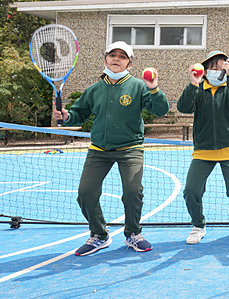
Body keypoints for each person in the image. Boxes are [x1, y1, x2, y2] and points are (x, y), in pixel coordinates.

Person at [53, 41, 169, 256]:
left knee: (133, 192)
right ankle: (99, 235)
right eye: (112, 54)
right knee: (85, 193)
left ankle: (133, 233)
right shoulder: (94, 89)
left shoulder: (138, 86)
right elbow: (78, 114)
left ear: (130, 64)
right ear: (105, 59)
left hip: (130, 149)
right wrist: (66, 116)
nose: (116, 59)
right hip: (99, 150)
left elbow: (161, 109)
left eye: (122, 56)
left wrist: (153, 88)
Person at [177, 51, 229, 244]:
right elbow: (184, 108)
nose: (216, 71)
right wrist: (193, 83)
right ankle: (198, 225)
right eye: (213, 67)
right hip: (203, 150)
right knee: (191, 191)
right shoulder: (199, 89)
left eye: (221, 67)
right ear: (205, 70)